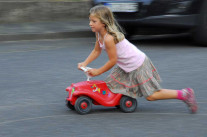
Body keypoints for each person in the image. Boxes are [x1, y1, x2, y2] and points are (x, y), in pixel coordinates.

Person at [78, 5, 198, 113]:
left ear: (103, 23)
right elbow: (96, 51)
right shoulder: (99, 34)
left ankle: (184, 94)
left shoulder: (109, 38)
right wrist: (85, 62)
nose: (90, 23)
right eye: (90, 20)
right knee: (112, 85)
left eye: (94, 21)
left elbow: (112, 61)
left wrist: (98, 71)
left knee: (151, 96)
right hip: (126, 66)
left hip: (138, 65)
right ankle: (122, 101)